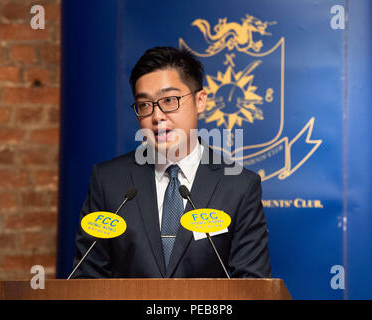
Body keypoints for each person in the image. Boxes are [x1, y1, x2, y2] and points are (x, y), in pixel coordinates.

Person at [71, 46, 271, 278]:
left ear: (201, 101)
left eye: (169, 100)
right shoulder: (109, 181)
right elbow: (87, 278)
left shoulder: (239, 185)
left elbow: (252, 284)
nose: (156, 116)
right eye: (144, 105)